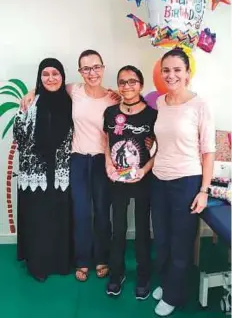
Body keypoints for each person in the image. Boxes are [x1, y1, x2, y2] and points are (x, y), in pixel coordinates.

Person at [20, 50, 117, 281]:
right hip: (77, 160)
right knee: (81, 212)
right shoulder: (74, 90)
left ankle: (102, 258)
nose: (91, 73)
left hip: (102, 161)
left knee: (103, 212)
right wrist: (31, 91)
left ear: (103, 68)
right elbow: (48, 85)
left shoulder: (114, 98)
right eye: (86, 68)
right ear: (80, 71)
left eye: (96, 67)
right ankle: (82, 260)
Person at [150, 48, 215, 316]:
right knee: (162, 239)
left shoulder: (200, 106)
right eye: (167, 70)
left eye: (177, 70)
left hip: (187, 181)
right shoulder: (161, 103)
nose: (171, 75)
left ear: (188, 73)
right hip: (159, 179)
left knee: (180, 241)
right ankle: (166, 282)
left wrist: (204, 190)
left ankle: (175, 295)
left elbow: (208, 151)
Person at [13, 58, 73, 281]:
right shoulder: (31, 101)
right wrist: (28, 101)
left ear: (62, 76)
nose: (50, 78)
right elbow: (18, 134)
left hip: (61, 172)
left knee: (59, 217)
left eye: (55, 73)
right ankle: (38, 263)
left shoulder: (70, 100)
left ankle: (60, 261)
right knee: (38, 220)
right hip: (35, 172)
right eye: (45, 74)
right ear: (39, 77)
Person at [104, 65, 158, 300]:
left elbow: (160, 148)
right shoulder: (110, 112)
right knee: (118, 229)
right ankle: (116, 274)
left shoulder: (153, 115)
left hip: (143, 179)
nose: (127, 86)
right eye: (122, 82)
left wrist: (145, 170)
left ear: (141, 85)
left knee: (143, 230)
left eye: (132, 81)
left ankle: (143, 275)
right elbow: (106, 141)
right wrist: (108, 164)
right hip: (117, 179)